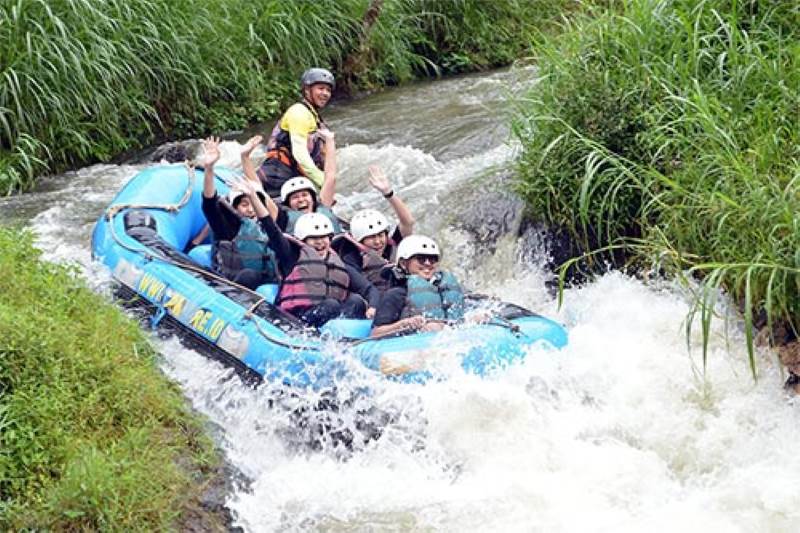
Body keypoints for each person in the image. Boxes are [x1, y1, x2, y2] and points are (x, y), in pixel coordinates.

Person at [235, 179, 380, 328]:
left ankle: (343, 336)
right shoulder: (292, 256)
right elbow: (271, 228)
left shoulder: (339, 264)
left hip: (329, 319)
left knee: (356, 301)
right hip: (296, 317)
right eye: (314, 239)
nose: (320, 242)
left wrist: (373, 306)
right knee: (332, 305)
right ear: (303, 241)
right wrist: (253, 196)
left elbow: (369, 289)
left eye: (324, 237)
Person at [200, 136, 279, 289]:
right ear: (235, 208)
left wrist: (245, 157)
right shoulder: (228, 227)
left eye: (253, 204)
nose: (250, 209)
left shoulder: (268, 226)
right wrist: (209, 169)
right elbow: (209, 204)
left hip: (267, 285)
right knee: (249, 275)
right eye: (244, 205)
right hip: (237, 284)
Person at [331, 165, 414, 291]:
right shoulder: (351, 259)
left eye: (380, 235)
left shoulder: (392, 246)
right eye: (371, 237)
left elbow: (408, 222)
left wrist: (389, 193)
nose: (378, 242)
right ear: (359, 241)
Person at [242, 131, 341, 235]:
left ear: (312, 198)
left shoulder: (323, 206)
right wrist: (245, 157)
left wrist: (330, 141)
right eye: (295, 197)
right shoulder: (283, 219)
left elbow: (330, 177)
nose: (301, 200)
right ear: (288, 203)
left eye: (304, 195)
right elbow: (259, 190)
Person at [257, 68, 335, 198]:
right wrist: (324, 182)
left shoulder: (313, 115)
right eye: (321, 88)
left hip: (292, 175)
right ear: (307, 90)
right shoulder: (299, 112)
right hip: (276, 176)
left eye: (328, 90)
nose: (325, 93)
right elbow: (300, 154)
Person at [370, 235, 468, 338]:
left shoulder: (445, 287)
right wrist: (404, 324)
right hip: (411, 343)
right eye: (421, 259)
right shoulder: (395, 294)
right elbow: (375, 333)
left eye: (433, 259)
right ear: (403, 263)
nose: (428, 263)